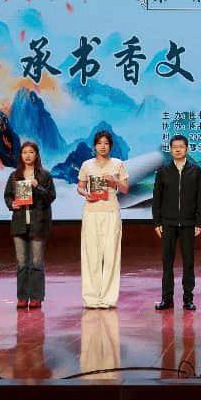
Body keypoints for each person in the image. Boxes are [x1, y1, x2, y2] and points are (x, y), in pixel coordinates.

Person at [152, 134, 201, 311]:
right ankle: (166, 299)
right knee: (167, 263)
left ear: (187, 149)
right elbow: (157, 198)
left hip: (189, 224)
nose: (177, 149)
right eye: (174, 147)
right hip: (168, 223)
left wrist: (199, 222)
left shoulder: (196, 171)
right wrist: (157, 222)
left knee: (188, 263)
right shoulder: (163, 171)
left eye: (181, 147)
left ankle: (188, 299)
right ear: (170, 149)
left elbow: (200, 198)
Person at [77, 130, 128, 309]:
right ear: (95, 146)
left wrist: (114, 182)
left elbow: (125, 189)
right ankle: (91, 298)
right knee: (91, 255)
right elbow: (80, 187)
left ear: (110, 146)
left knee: (111, 255)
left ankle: (108, 298)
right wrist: (85, 194)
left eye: (106, 143)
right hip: (91, 212)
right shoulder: (87, 165)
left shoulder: (118, 164)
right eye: (99, 143)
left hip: (111, 212)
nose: (103, 146)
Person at [4, 141, 56, 310]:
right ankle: (22, 297)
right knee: (21, 263)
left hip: (38, 224)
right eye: (24, 152)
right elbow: (8, 196)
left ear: (36, 155)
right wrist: (11, 204)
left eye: (31, 152)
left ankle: (36, 297)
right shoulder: (14, 176)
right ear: (21, 155)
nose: (27, 155)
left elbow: (51, 197)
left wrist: (37, 186)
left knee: (36, 263)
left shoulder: (45, 175)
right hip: (19, 223)